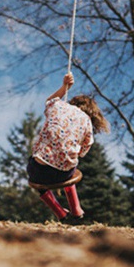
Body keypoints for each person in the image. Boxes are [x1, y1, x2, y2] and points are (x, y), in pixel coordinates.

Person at [27, 72, 110, 219]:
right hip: (63, 174)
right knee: (73, 167)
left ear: (73, 103)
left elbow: (49, 100)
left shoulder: (58, 106)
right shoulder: (87, 121)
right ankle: (76, 209)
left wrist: (65, 87)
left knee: (35, 174)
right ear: (91, 113)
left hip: (38, 172)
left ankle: (59, 212)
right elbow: (83, 150)